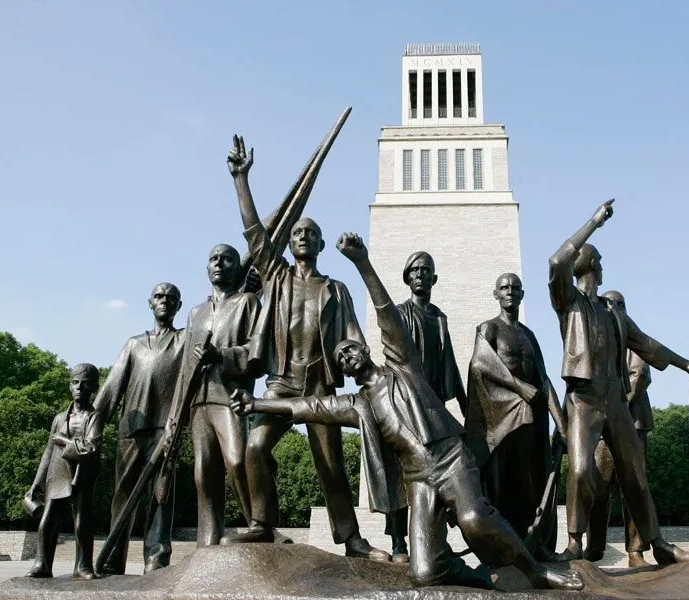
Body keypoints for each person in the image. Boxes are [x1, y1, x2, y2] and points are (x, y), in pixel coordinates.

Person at [231, 232, 583, 591]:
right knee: (425, 573)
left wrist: (362, 262)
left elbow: (386, 313)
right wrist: (256, 403)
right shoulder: (358, 404)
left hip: (450, 459)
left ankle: (535, 572)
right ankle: (475, 576)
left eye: (350, 349)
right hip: (420, 479)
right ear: (344, 371)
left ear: (366, 350)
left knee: (474, 518)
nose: (348, 356)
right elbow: (306, 407)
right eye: (341, 358)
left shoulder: (402, 365)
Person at [225, 135, 387, 561]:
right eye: (297, 232)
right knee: (255, 448)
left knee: (331, 465)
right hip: (280, 384)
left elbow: (352, 336)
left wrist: (361, 363)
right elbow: (255, 234)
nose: (302, 236)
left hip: (319, 386)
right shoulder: (276, 277)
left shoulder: (335, 288)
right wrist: (241, 180)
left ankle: (351, 540)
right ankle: (262, 524)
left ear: (319, 244)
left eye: (310, 233)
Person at [548, 199, 689, 563]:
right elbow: (557, 261)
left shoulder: (612, 311)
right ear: (591, 264)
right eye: (600, 259)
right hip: (584, 398)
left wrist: (686, 364)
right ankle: (574, 541)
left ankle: (658, 544)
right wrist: (594, 222)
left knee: (635, 475)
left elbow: (646, 344)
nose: (603, 265)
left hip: (616, 400)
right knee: (581, 469)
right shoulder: (569, 302)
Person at [163, 244, 261, 546]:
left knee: (237, 461)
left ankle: (260, 524)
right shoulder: (196, 312)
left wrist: (220, 355)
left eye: (227, 259)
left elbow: (257, 352)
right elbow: (184, 369)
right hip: (198, 400)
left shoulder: (247, 302)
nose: (219, 263)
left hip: (228, 396)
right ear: (207, 268)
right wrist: (174, 417)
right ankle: (208, 538)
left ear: (237, 267)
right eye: (214, 259)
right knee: (203, 472)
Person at [465, 272, 565, 558]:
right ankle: (501, 548)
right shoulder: (489, 328)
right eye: (504, 287)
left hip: (530, 419)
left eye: (515, 287)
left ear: (522, 295)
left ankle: (533, 546)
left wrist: (562, 424)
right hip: (500, 420)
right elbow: (480, 365)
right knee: (500, 485)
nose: (510, 291)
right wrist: (519, 387)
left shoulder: (528, 335)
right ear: (496, 294)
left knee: (530, 482)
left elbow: (543, 380)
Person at [93, 283, 185, 574]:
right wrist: (91, 424)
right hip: (131, 430)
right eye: (159, 296)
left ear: (179, 306)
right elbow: (112, 387)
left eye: (171, 298)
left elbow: (215, 324)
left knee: (161, 496)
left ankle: (156, 558)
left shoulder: (184, 340)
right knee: (122, 494)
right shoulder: (134, 344)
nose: (164, 301)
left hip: (166, 431)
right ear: (150, 303)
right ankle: (113, 557)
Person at [384, 251, 468, 562]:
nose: (420, 274)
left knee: (438, 473)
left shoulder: (439, 318)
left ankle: (436, 540)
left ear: (434, 278)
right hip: (404, 404)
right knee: (398, 472)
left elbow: (450, 363)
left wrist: (465, 404)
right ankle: (398, 542)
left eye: (425, 270)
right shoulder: (399, 313)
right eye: (415, 270)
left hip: (433, 406)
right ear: (407, 278)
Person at [585, 290, 654, 567]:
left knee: (634, 488)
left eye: (620, 304)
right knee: (598, 488)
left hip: (632, 425)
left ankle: (636, 551)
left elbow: (640, 376)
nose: (615, 309)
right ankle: (594, 548)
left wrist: (616, 410)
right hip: (602, 429)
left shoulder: (633, 340)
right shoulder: (597, 340)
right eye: (610, 304)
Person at [24, 363, 103, 579]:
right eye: (75, 383)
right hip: (57, 473)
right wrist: (36, 484)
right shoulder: (59, 418)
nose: (79, 387)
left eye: (85, 384)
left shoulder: (94, 417)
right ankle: (42, 564)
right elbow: (48, 453)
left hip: (82, 475)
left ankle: (83, 566)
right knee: (47, 521)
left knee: (82, 522)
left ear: (93, 388)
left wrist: (64, 441)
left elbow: (91, 448)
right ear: (70, 386)